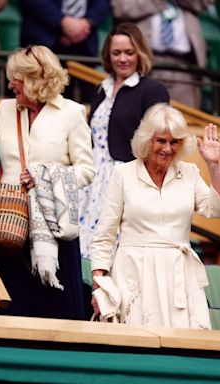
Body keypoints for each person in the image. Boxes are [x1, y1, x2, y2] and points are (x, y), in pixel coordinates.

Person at [0, 45, 94, 319]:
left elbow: (86, 171)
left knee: (55, 307)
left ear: (35, 80)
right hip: (10, 224)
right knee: (12, 303)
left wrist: (46, 177)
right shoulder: (6, 109)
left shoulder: (71, 113)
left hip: (54, 225)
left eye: (17, 79)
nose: (10, 84)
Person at [90, 104, 220, 328]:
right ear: (147, 140)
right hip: (133, 274)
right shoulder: (123, 173)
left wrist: (214, 167)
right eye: (161, 141)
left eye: (174, 142)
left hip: (179, 275)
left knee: (185, 347)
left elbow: (217, 210)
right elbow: (104, 236)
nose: (167, 148)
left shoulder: (190, 172)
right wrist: (100, 286)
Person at [79, 22, 169, 259]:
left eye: (129, 52)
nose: (122, 59)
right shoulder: (101, 88)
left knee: (116, 253)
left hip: (125, 180)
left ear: (140, 53)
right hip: (92, 180)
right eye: (116, 53)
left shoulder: (152, 90)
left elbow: (160, 143)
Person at [111, 0, 213, 108]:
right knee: (141, 116)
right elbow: (120, 8)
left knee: (185, 119)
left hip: (184, 68)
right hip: (144, 63)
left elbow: (205, 3)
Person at [20, 0, 110, 57]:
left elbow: (103, 2)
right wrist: (62, 21)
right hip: (43, 38)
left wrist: (86, 23)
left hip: (85, 40)